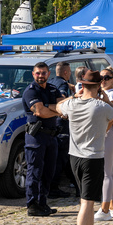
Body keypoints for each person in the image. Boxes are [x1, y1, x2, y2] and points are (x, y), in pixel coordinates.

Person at [55, 70, 113, 225]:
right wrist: (105, 99)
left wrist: (74, 95)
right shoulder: (101, 106)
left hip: (74, 157)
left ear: (82, 85)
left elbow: (57, 107)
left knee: (84, 199)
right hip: (92, 158)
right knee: (87, 202)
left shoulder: (72, 103)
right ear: (97, 87)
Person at [22, 62, 62, 217]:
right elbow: (40, 112)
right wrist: (56, 111)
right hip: (36, 137)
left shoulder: (53, 88)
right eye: (38, 73)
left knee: (48, 172)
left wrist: (49, 107)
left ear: (49, 74)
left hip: (51, 136)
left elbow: (63, 104)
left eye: (43, 73)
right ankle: (32, 205)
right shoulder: (30, 91)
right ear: (33, 74)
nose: (41, 76)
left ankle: (42, 203)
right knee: (35, 171)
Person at [94, 67, 113, 221]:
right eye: (101, 77)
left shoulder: (112, 94)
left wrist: (100, 131)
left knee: (107, 173)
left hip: (106, 134)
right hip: (106, 134)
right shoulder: (103, 94)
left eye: (107, 77)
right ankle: (112, 207)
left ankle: (105, 209)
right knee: (109, 173)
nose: (103, 80)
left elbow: (110, 116)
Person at [48, 62, 73, 199]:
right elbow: (62, 103)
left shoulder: (52, 82)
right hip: (61, 124)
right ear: (65, 73)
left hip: (52, 122)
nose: (70, 74)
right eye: (69, 72)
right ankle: (54, 188)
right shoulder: (63, 84)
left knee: (57, 157)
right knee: (60, 158)